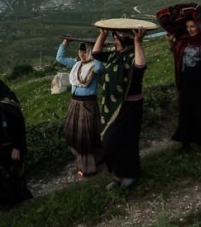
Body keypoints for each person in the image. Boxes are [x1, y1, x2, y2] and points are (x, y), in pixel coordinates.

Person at [91, 27, 147, 190]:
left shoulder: (131, 56)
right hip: (112, 106)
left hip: (130, 106)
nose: (114, 41)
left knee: (127, 141)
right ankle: (117, 173)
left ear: (125, 40)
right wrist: (102, 35)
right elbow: (95, 54)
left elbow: (140, 66)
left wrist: (137, 42)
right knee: (109, 141)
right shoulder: (115, 56)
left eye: (116, 38)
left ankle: (129, 173)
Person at [55, 38, 105, 177]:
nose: (82, 55)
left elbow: (100, 69)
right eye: (81, 52)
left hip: (87, 104)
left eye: (85, 52)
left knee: (86, 136)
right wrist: (65, 42)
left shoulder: (95, 65)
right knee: (72, 132)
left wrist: (97, 52)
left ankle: (87, 168)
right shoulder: (77, 64)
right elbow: (60, 58)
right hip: (75, 103)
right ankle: (96, 158)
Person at [0, 79, 32, 211]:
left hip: (10, 145)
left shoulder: (8, 105)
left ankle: (15, 199)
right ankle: (5, 201)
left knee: (11, 172)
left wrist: (17, 147)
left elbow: (18, 127)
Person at [169, 20, 201, 153]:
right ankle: (186, 143)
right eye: (187, 27)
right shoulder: (184, 41)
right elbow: (177, 54)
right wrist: (170, 42)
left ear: (199, 26)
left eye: (193, 26)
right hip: (187, 81)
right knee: (186, 111)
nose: (190, 30)